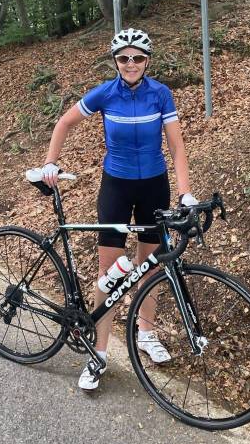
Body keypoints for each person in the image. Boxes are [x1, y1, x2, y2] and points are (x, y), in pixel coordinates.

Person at [39, 27, 194, 390]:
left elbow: (177, 147)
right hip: (117, 188)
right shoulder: (106, 94)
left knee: (151, 267)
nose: (130, 64)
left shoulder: (161, 94)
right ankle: (100, 352)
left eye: (137, 58)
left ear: (147, 61)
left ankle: (146, 333)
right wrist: (50, 162)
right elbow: (64, 122)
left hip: (155, 186)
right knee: (109, 273)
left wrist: (185, 192)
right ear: (115, 62)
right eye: (123, 58)